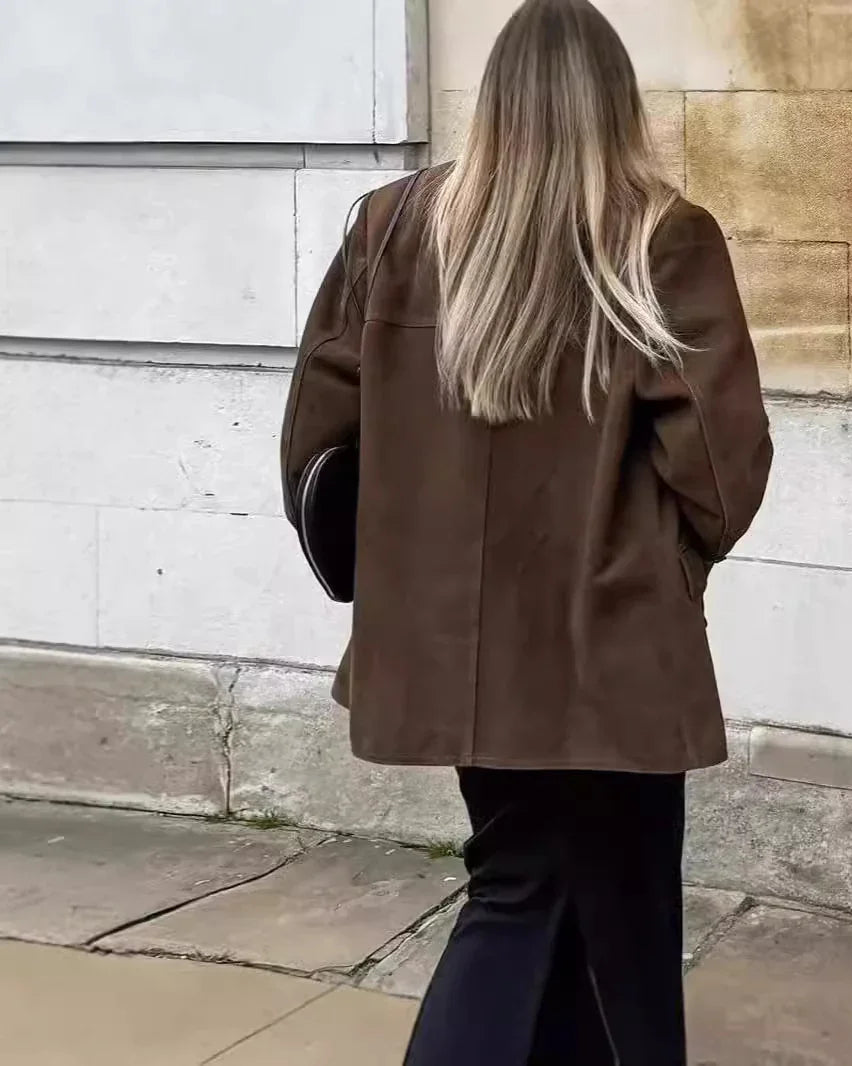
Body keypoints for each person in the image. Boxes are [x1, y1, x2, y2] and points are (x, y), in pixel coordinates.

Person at [280, 0, 772, 1061]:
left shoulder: (392, 229)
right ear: (613, 103)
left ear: (493, 98)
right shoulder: (658, 235)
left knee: (568, 899)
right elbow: (723, 476)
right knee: (555, 896)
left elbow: (317, 447)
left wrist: (403, 580)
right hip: (608, 648)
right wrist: (666, 567)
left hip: (458, 648)